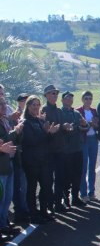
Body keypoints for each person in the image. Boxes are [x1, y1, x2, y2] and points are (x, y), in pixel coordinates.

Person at [21, 95, 58, 223]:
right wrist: (46, 132)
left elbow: (47, 141)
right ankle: (33, 215)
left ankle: (43, 210)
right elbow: (31, 141)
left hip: (44, 161)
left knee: (46, 186)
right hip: (32, 162)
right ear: (28, 107)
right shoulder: (25, 122)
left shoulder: (40, 121)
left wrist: (51, 133)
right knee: (32, 189)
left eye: (38, 105)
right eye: (33, 105)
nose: (36, 107)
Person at [41, 84, 67, 213]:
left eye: (56, 93)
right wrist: (50, 131)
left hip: (60, 149)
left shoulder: (59, 111)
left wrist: (65, 127)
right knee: (48, 179)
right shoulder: (43, 111)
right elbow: (43, 131)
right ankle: (49, 205)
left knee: (60, 177)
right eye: (52, 93)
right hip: (49, 150)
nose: (55, 95)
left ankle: (58, 203)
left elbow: (61, 128)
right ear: (46, 95)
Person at [60, 91, 88, 208]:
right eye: (67, 99)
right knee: (67, 176)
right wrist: (64, 127)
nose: (69, 101)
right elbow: (59, 128)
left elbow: (85, 126)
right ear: (62, 100)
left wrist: (84, 125)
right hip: (66, 150)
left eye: (71, 99)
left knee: (77, 174)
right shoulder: (60, 113)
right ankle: (66, 198)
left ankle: (75, 197)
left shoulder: (76, 113)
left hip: (77, 148)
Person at [0, 98, 21, 236]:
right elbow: (5, 141)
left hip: (8, 163)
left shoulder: (4, 121)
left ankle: (3, 224)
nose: (4, 106)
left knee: (7, 198)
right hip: (1, 166)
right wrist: (16, 131)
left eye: (4, 103)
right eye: (0, 104)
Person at [10, 93, 30, 224]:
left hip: (28, 155)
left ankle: (25, 208)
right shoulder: (15, 116)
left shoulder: (31, 115)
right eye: (23, 100)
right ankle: (20, 210)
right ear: (19, 102)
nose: (25, 102)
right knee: (19, 184)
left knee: (26, 183)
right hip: (17, 155)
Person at [77, 91, 99, 202]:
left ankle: (92, 192)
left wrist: (95, 125)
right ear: (82, 99)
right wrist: (90, 124)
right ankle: (83, 193)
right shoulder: (78, 111)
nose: (88, 100)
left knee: (92, 167)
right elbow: (79, 126)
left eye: (90, 98)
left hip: (93, 139)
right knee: (83, 167)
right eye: (86, 98)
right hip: (83, 141)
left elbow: (97, 125)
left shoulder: (94, 111)